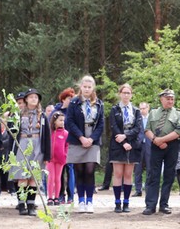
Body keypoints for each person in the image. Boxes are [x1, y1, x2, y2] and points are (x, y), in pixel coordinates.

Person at [65, 75, 104, 213]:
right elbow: (69, 122)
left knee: (89, 171)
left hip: (92, 141)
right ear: (80, 87)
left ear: (93, 88)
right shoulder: (74, 103)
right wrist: (81, 137)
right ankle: (81, 201)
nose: (87, 89)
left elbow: (101, 125)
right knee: (79, 171)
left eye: (89, 87)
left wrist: (91, 139)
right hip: (77, 140)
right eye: (85, 87)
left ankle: (90, 201)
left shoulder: (99, 103)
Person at [142, 89, 180, 215]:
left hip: (172, 146)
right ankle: (150, 205)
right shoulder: (153, 113)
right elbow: (147, 129)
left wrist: (162, 140)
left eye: (172, 99)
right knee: (153, 175)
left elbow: (178, 131)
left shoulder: (178, 114)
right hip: (155, 145)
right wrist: (156, 140)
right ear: (161, 99)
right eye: (167, 99)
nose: (170, 101)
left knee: (169, 175)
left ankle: (164, 204)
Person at [9, 88, 50, 215]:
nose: (33, 99)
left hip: (37, 145)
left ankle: (31, 205)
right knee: (22, 176)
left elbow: (47, 136)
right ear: (26, 99)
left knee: (34, 177)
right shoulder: (19, 114)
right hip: (23, 143)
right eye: (31, 97)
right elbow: (12, 133)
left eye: (36, 97)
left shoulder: (42, 116)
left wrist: (47, 154)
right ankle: (22, 204)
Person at [107, 84, 142, 213]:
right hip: (117, 144)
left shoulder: (136, 110)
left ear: (131, 94)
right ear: (120, 94)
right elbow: (113, 127)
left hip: (131, 144)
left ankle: (126, 202)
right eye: (124, 92)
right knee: (118, 174)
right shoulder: (114, 109)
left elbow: (138, 128)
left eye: (128, 93)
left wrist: (126, 138)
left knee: (128, 174)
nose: (126, 95)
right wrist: (122, 141)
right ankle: (117, 203)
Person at [46, 111, 69, 206]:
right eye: (60, 120)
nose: (62, 122)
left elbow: (67, 146)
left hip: (60, 159)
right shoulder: (49, 132)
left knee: (58, 178)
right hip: (50, 159)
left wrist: (65, 155)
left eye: (63, 120)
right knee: (51, 177)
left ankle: (57, 197)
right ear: (54, 121)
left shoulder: (65, 133)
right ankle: (50, 197)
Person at [133, 102, 151, 197]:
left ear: (148, 108)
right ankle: (138, 190)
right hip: (139, 146)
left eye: (144, 108)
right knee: (137, 169)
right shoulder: (137, 119)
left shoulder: (151, 119)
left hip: (149, 145)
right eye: (140, 108)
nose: (142, 110)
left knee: (149, 168)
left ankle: (148, 189)